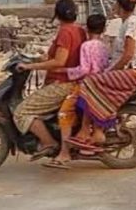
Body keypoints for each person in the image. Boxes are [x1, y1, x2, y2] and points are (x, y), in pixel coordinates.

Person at [73, 0, 136, 148]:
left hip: (134, 71)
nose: (113, 6)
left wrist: (111, 71)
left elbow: (128, 55)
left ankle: (90, 131)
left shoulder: (131, 24)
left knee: (90, 83)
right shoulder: (126, 23)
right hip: (128, 70)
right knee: (94, 83)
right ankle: (93, 129)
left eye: (116, 3)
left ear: (120, 6)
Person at [13, 0, 86, 161]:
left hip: (61, 84)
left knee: (21, 112)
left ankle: (48, 142)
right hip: (71, 82)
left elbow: (59, 61)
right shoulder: (79, 31)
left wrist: (30, 67)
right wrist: (36, 59)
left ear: (57, 15)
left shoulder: (65, 32)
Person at [45, 14, 110, 169]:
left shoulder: (86, 46)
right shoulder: (104, 47)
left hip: (86, 85)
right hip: (99, 84)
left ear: (87, 28)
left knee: (64, 113)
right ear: (103, 29)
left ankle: (65, 152)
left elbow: (84, 69)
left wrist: (64, 70)